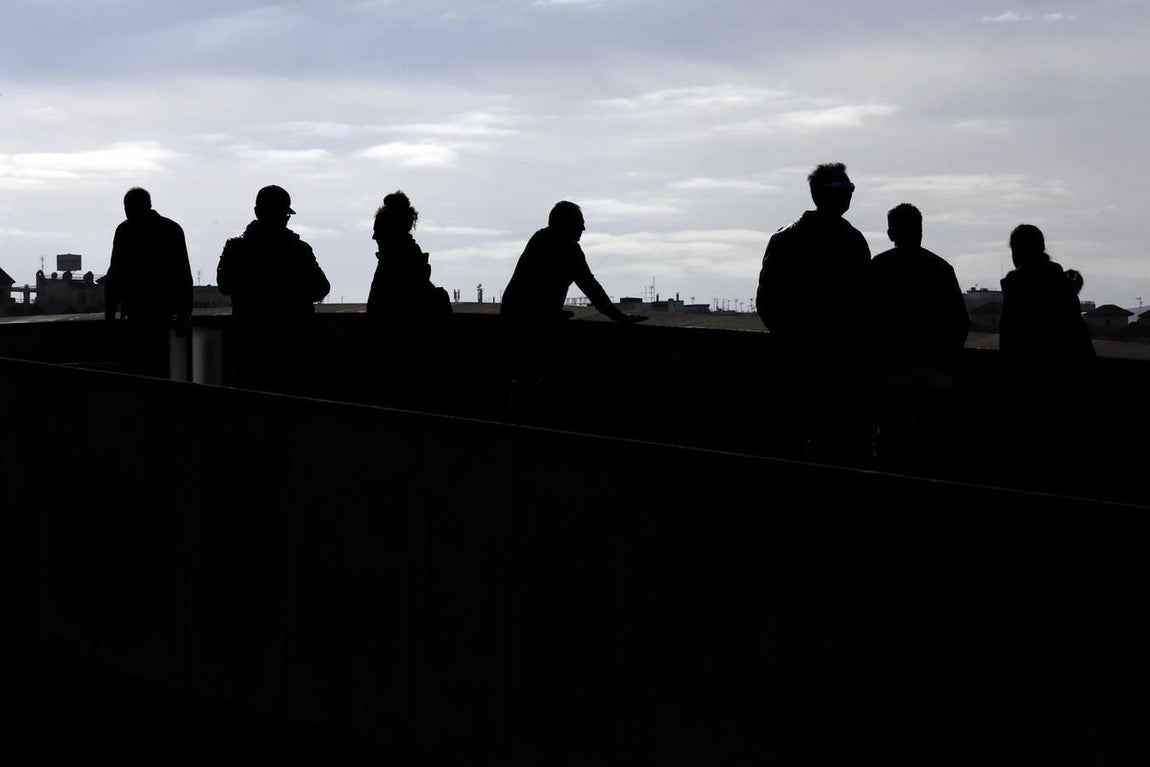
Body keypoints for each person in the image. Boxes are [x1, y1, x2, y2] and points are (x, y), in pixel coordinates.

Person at [755, 162, 871, 462]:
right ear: (823, 192)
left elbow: (767, 301)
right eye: (843, 187)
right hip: (834, 362)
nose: (849, 193)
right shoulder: (852, 241)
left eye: (851, 187)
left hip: (802, 358)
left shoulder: (785, 239)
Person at [500, 201, 645, 417]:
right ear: (566, 225)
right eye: (579, 223)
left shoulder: (540, 239)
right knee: (536, 372)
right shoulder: (568, 249)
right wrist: (618, 316)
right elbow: (590, 286)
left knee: (523, 372)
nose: (583, 228)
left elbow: (534, 286)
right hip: (531, 321)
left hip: (516, 314)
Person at [867, 203, 970, 471]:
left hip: (890, 375)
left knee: (890, 447)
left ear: (891, 233)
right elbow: (960, 322)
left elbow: (864, 320)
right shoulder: (941, 269)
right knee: (933, 448)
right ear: (921, 230)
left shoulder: (878, 268)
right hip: (935, 376)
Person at [998, 224, 1095, 484]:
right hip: (1067, 381)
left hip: (1027, 382)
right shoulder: (1062, 285)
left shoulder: (1016, 287)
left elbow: (1010, 339)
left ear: (1017, 252)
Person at [216, 185, 330, 392]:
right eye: (284, 214)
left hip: (252, 344)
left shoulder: (237, 249)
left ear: (257, 212)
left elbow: (225, 284)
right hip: (290, 343)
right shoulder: (298, 250)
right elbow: (321, 287)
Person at [364, 191, 453, 408]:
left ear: (390, 230)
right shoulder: (408, 261)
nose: (374, 237)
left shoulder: (396, 266)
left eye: (378, 230)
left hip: (399, 365)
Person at [103, 187, 193, 376]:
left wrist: (110, 313)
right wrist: (184, 313)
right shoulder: (171, 229)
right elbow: (183, 274)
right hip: (162, 312)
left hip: (135, 314)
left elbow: (115, 275)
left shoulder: (124, 231)